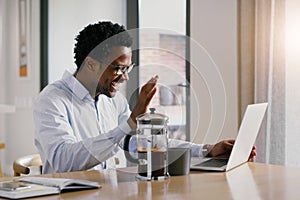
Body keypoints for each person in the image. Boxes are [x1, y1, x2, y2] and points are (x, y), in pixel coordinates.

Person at [33, 21, 255, 174]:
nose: (125, 77)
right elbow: (64, 161)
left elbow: (135, 142)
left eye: (128, 68)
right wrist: (130, 122)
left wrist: (206, 150)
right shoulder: (52, 100)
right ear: (91, 64)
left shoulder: (112, 100)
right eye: (119, 69)